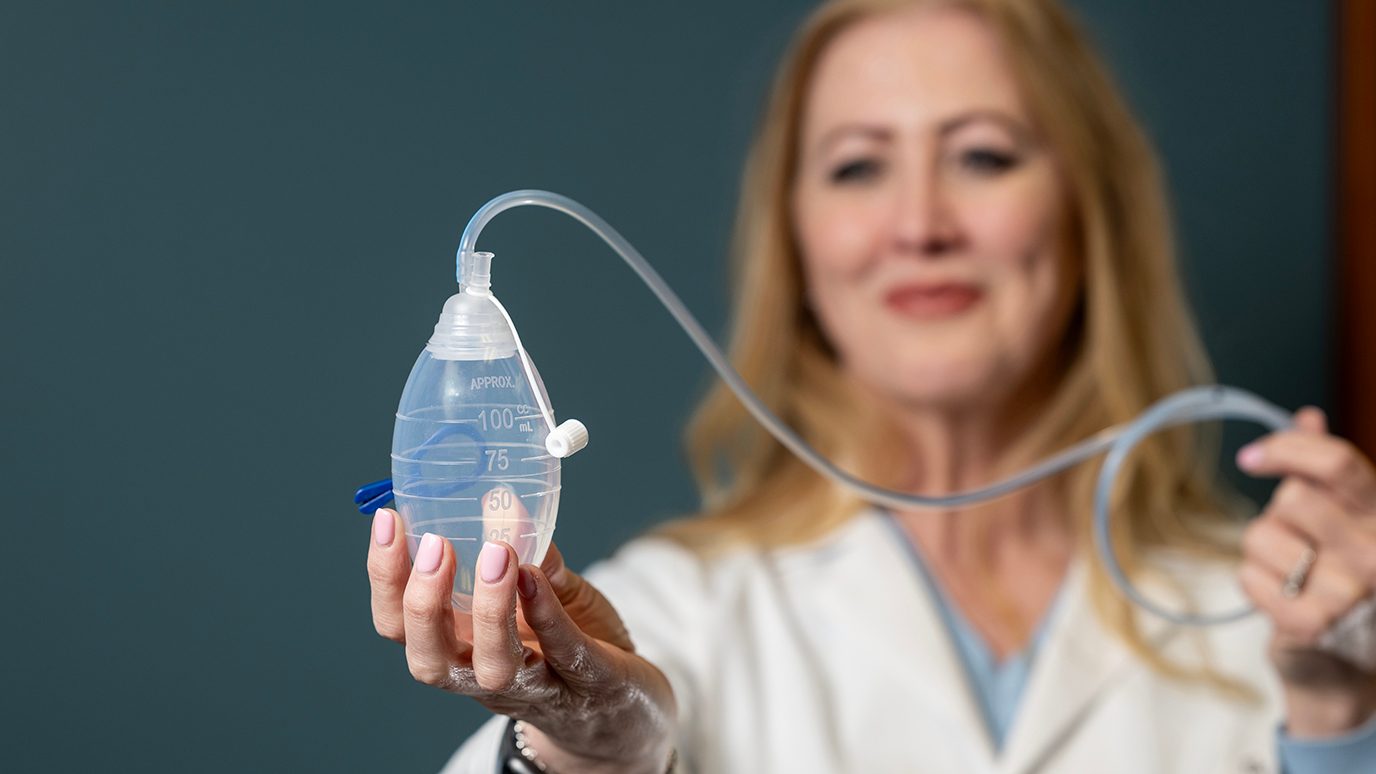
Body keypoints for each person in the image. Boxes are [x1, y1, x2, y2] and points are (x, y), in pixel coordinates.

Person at [366, 0, 1376, 771]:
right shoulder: (668, 614)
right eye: (857, 167)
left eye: (981, 155)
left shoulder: (1282, 618)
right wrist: (591, 750)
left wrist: (1338, 717)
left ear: (1085, 217)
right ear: (797, 240)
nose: (918, 223)